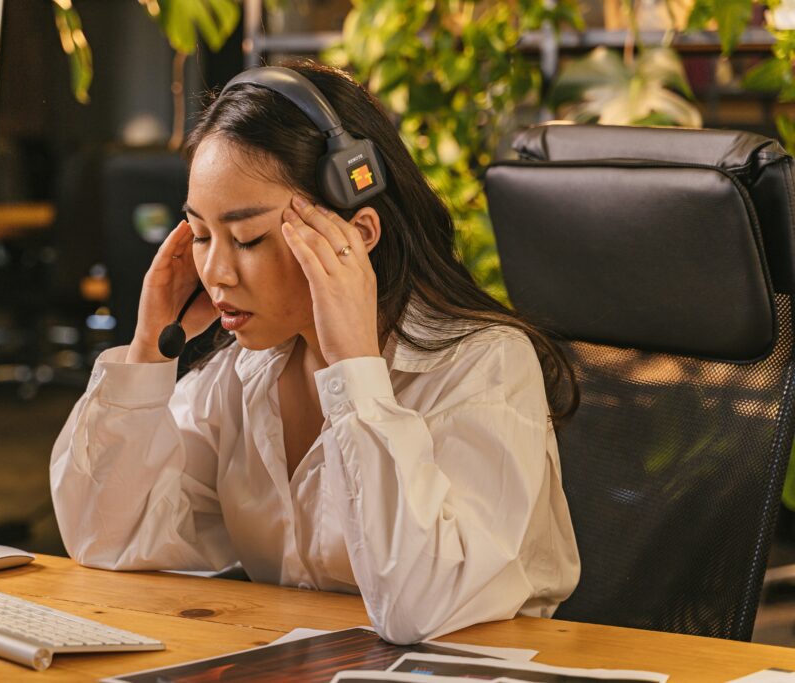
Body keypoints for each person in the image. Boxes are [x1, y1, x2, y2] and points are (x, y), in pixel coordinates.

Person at [50, 60, 581, 645]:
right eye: (200, 235)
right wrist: (148, 350)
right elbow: (108, 537)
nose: (217, 272)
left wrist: (355, 371)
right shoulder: (244, 373)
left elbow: (420, 609)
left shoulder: (484, 367)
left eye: (248, 238)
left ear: (358, 235)